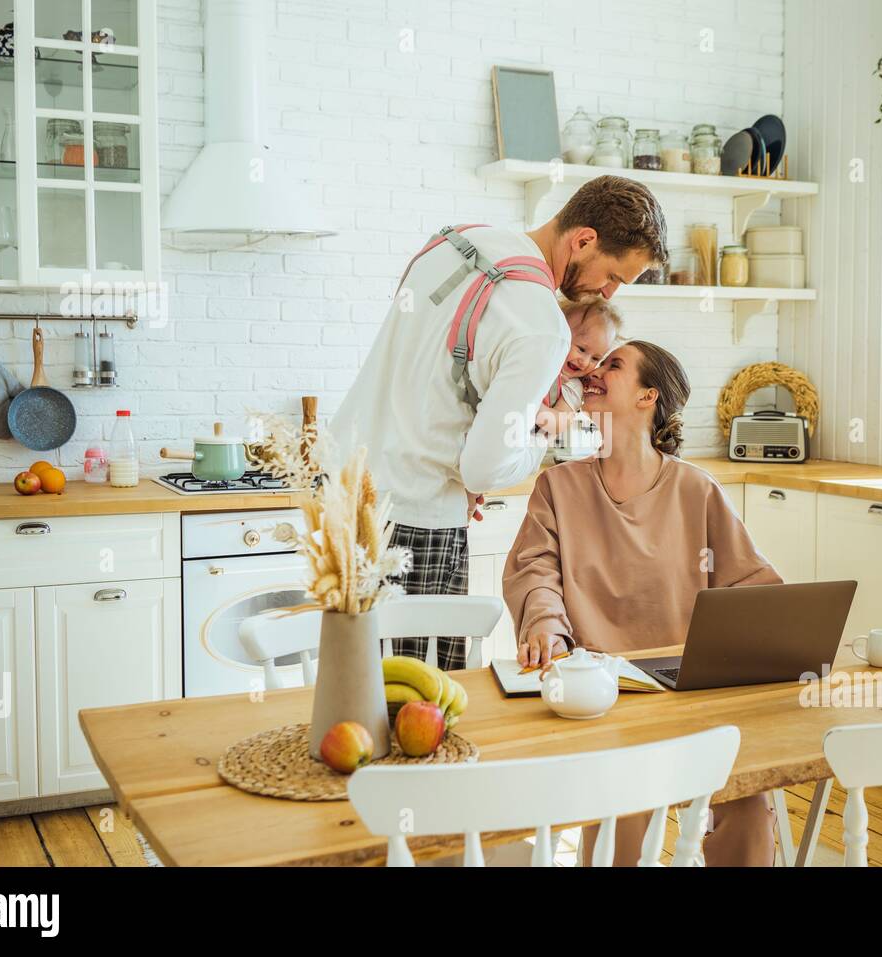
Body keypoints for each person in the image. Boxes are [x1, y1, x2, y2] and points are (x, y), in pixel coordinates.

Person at [329, 176, 667, 671]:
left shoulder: (452, 242)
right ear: (584, 240)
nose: (609, 291)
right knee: (419, 701)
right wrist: (540, 435)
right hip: (417, 520)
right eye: (614, 276)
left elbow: (429, 381)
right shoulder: (539, 324)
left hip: (346, 498)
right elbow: (483, 471)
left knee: (352, 687)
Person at [502, 340, 783, 866]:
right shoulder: (557, 486)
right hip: (600, 694)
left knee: (747, 797)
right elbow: (535, 569)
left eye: (614, 365)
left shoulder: (696, 490)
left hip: (689, 693)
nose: (593, 371)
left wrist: (778, 635)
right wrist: (544, 622)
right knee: (621, 804)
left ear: (648, 395)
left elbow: (751, 583)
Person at [546, 297, 622, 415]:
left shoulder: (574, 386)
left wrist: (534, 406)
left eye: (595, 358)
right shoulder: (540, 357)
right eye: (581, 349)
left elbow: (557, 422)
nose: (585, 362)